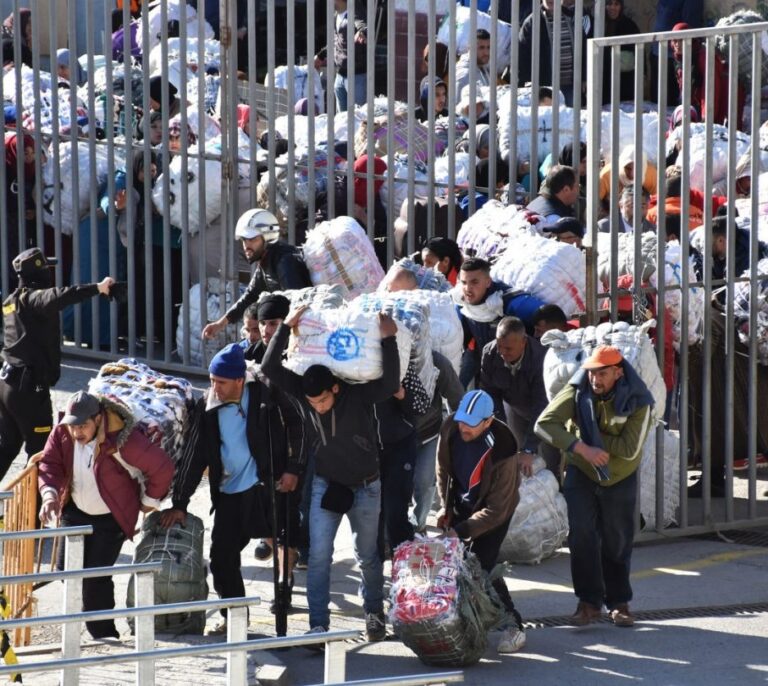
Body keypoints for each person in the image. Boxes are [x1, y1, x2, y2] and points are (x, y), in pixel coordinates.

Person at [260, 305, 400, 642]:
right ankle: (318, 625)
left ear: (335, 389)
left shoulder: (357, 394)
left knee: (367, 555)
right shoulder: (305, 395)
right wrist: (285, 328)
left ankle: (374, 615)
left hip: (367, 486)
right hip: (325, 484)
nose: (317, 407)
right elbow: (269, 367)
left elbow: (390, 381)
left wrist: (389, 339)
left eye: (322, 401)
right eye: (312, 403)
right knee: (319, 555)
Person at [160, 343, 305, 633]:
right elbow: (194, 453)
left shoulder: (267, 393)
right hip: (229, 493)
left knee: (285, 542)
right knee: (222, 560)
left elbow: (299, 423)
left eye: (221, 382)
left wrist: (293, 468)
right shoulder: (208, 406)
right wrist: (179, 502)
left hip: (267, 487)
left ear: (240, 380)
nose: (215, 387)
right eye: (212, 381)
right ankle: (235, 620)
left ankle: (286, 597)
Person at [38, 391, 174, 639]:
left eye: (83, 426)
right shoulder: (62, 432)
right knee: (65, 570)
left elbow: (162, 467)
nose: (77, 432)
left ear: (98, 419)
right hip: (75, 511)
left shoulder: (123, 439)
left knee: (95, 578)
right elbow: (50, 464)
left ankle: (105, 635)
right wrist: (49, 494)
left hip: (111, 517)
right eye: (73, 426)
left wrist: (148, 502)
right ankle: (88, 617)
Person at [535, 345, 654, 627]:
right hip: (582, 472)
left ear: (618, 372)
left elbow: (628, 448)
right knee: (582, 536)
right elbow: (544, 424)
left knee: (617, 540)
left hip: (619, 477)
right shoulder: (578, 390)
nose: (595, 380)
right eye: (591, 373)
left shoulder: (640, 401)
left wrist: (588, 434)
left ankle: (619, 603)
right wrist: (579, 446)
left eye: (602, 374)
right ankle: (588, 603)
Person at [0, 249, 116, 481]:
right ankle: (36, 516)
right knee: (42, 454)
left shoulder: (10, 302)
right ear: (38, 274)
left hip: (7, 384)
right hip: (28, 388)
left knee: (8, 446)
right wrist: (98, 288)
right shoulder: (34, 299)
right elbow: (61, 295)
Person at [435, 389, 527, 654]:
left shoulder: (504, 447)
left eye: (471, 424)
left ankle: (514, 626)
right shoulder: (452, 426)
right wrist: (446, 506)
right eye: (462, 420)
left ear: (487, 421)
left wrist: (461, 531)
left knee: (482, 568)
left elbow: (497, 509)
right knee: (460, 568)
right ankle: (465, 624)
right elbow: (442, 468)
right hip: (464, 503)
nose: (464, 427)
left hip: (494, 511)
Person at [202, 208, 311, 339]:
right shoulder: (267, 260)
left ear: (268, 238)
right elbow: (250, 295)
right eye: (244, 240)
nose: (246, 246)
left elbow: (298, 305)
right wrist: (220, 324)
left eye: (252, 239)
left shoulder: (285, 261)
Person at [480, 316, 562, 480]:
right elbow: (491, 397)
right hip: (514, 406)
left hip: (545, 414)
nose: (502, 352)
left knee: (548, 461)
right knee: (515, 454)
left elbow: (541, 405)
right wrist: (501, 433)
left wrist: (529, 449)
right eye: (500, 346)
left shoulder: (541, 359)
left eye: (508, 348)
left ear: (523, 342)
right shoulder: (489, 353)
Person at [454, 257, 547, 387]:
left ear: (488, 282)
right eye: (464, 282)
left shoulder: (506, 301)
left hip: (518, 367)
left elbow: (545, 314)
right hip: (483, 360)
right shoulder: (461, 303)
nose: (468, 288)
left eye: (474, 282)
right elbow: (459, 337)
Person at [519, 0, 592, 108]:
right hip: (546, 88)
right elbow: (522, 58)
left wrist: (584, 77)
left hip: (570, 85)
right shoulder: (532, 23)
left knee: (571, 120)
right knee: (550, 121)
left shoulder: (572, 18)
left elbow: (583, 49)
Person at [314, 0, 369, 112]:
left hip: (356, 77)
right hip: (340, 76)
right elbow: (336, 42)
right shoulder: (336, 16)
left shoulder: (354, 13)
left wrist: (362, 32)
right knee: (342, 120)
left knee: (358, 117)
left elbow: (363, 25)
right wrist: (320, 56)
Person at [602, 0, 641, 104]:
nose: (613, 8)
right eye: (609, 4)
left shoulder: (630, 26)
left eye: (616, 4)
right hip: (604, 81)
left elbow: (639, 52)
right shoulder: (599, 25)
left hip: (625, 82)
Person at [455, 28, 493, 106]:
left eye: (488, 47)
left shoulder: (482, 68)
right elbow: (459, 109)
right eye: (481, 48)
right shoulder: (465, 75)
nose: (486, 52)